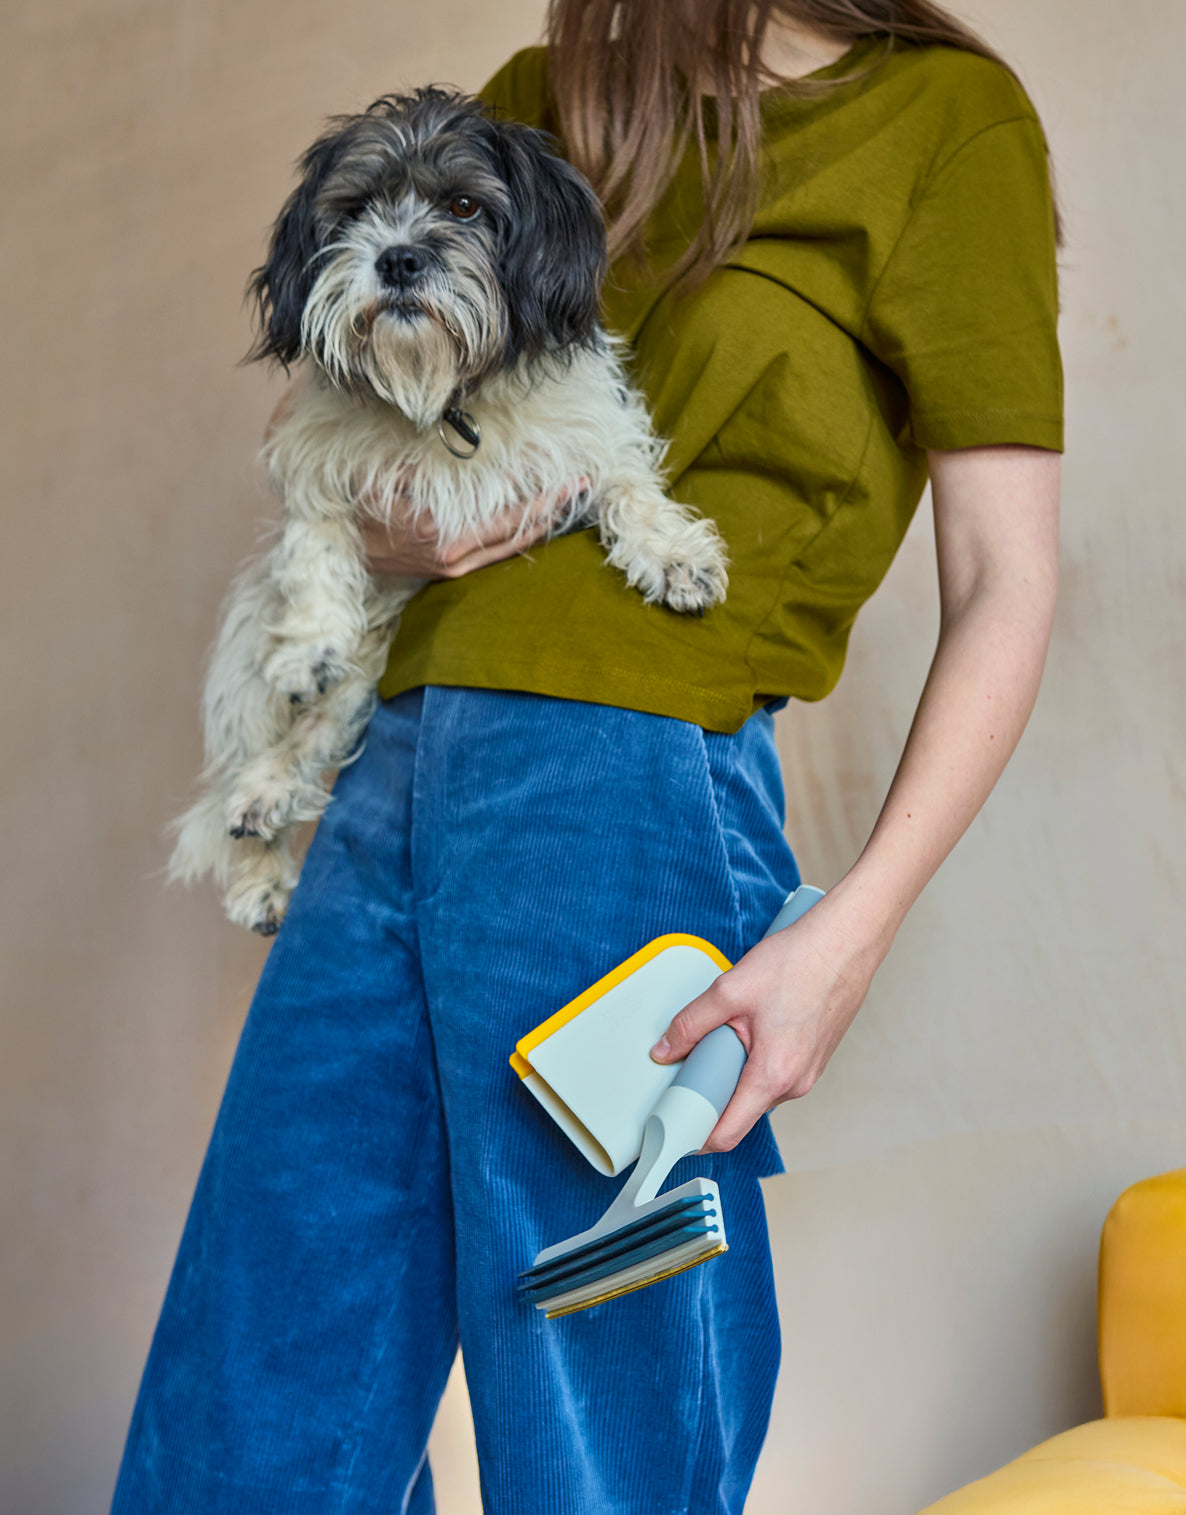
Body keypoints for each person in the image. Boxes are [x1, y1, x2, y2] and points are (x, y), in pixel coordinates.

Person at [112, 2, 1062, 1511]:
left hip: (627, 789)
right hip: (388, 766)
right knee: (251, 1404)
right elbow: (346, 400)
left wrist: (854, 935)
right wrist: (387, 530)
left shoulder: (942, 121)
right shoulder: (544, 93)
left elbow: (1004, 580)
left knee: (600, 1413)